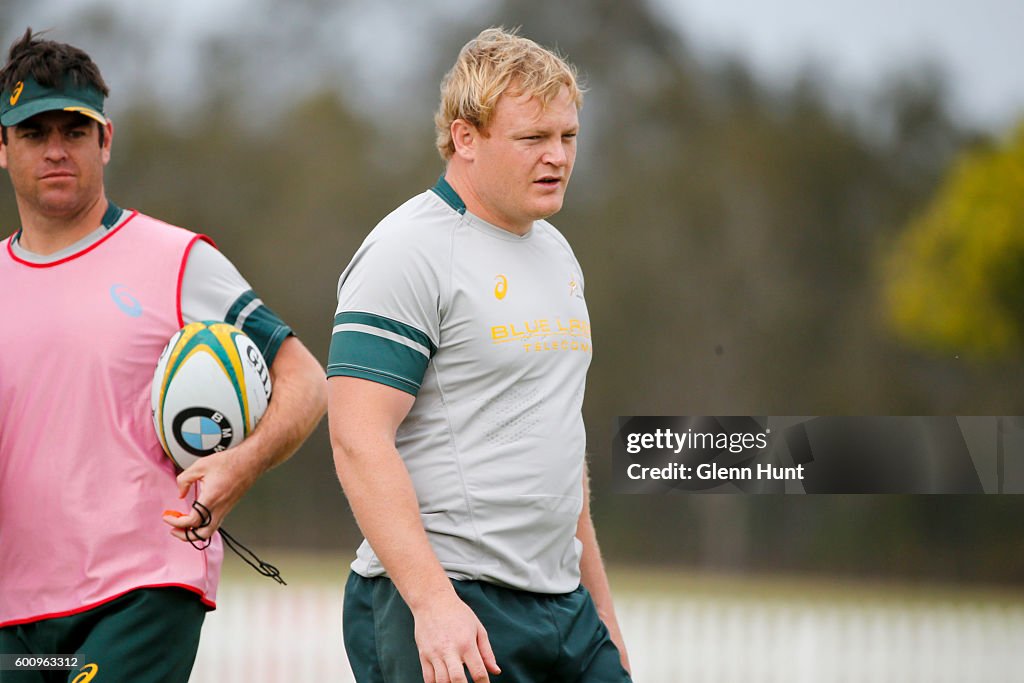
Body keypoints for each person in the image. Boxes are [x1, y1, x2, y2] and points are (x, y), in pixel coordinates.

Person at [0, 29, 326, 682]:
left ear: (107, 140)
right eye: (35, 133)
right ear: (3, 148)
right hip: (16, 615)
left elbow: (306, 378)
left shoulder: (177, 260)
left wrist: (241, 463)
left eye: (75, 130)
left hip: (141, 591)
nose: (57, 149)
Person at [328, 27, 632, 683]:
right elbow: (357, 437)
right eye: (533, 139)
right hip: (450, 604)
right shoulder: (407, 250)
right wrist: (433, 602)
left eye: (568, 136)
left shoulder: (557, 253)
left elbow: (559, 444)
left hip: (564, 610)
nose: (557, 156)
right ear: (465, 138)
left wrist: (601, 611)